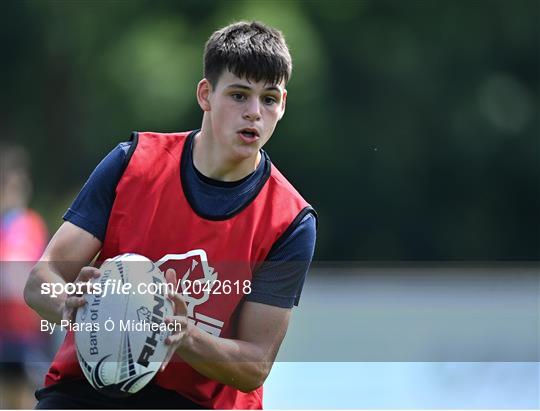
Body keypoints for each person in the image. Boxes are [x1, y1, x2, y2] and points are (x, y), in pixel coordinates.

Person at [24, 21, 317, 409]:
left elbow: (255, 364)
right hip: (85, 393)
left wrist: (182, 335)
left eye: (268, 99)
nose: (254, 113)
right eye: (239, 95)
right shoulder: (132, 163)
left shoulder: (290, 220)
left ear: (282, 104)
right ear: (206, 95)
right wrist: (69, 303)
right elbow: (39, 281)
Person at [0, 145, 49, 409]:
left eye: (21, 184)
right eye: (11, 185)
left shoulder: (31, 224)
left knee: (25, 397)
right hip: (3, 331)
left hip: (26, 333)